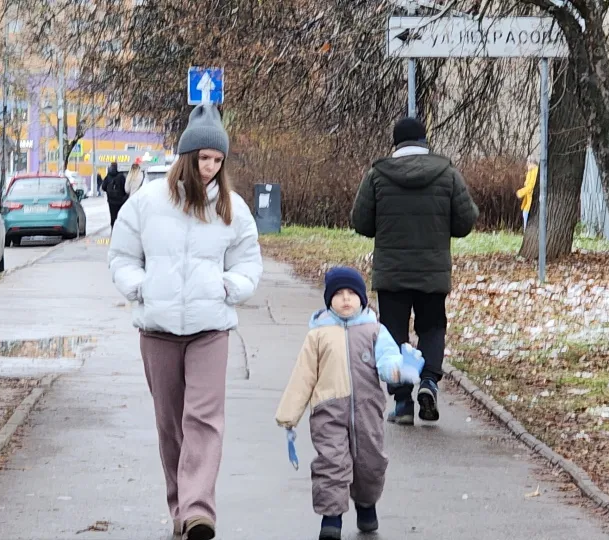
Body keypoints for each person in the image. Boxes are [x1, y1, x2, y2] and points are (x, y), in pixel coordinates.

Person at [107, 103, 263, 540]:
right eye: (204, 159)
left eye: (218, 160)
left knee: (204, 417)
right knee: (170, 423)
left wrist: (227, 287)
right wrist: (141, 287)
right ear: (186, 158)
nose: (211, 167)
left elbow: (248, 263)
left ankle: (198, 511)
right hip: (157, 329)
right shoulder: (146, 203)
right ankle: (179, 507)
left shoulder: (233, 209)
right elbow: (121, 256)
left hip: (210, 328)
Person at [275, 267, 424, 540]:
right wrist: (289, 415)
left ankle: (366, 504)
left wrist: (402, 369)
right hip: (327, 412)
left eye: (352, 294)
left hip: (367, 410)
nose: (346, 299)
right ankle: (331, 519)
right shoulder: (318, 335)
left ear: (362, 298)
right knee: (331, 463)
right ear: (329, 299)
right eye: (339, 294)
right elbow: (303, 376)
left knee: (370, 463)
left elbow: (388, 360)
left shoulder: (375, 330)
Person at [350, 117, 479, 425]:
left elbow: (360, 222)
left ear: (395, 143)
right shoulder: (447, 174)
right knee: (432, 328)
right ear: (424, 141)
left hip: (392, 273)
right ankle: (430, 381)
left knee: (393, 333)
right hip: (432, 271)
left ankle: (403, 402)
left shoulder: (378, 176)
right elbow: (465, 222)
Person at [102, 162, 128, 229]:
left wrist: (109, 191)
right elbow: (125, 188)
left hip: (111, 200)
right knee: (120, 215)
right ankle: (119, 228)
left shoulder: (108, 176)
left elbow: (103, 187)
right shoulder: (121, 176)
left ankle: (113, 227)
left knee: (112, 215)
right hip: (120, 200)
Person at [518, 160, 537, 229]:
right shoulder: (531, 171)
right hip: (528, 199)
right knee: (525, 213)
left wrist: (520, 193)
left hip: (531, 199)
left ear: (532, 163)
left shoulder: (534, 171)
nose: (526, 164)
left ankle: (527, 231)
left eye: (528, 162)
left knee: (526, 214)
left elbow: (531, 186)